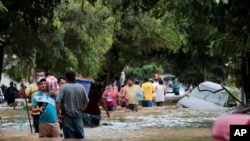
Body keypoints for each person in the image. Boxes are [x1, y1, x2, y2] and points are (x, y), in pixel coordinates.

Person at [56, 70, 89, 139]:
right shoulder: (81, 87)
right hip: (78, 117)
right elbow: (87, 101)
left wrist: (58, 113)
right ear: (75, 78)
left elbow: (58, 101)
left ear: (66, 78)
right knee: (80, 138)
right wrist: (82, 110)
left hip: (67, 117)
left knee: (69, 138)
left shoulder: (63, 87)